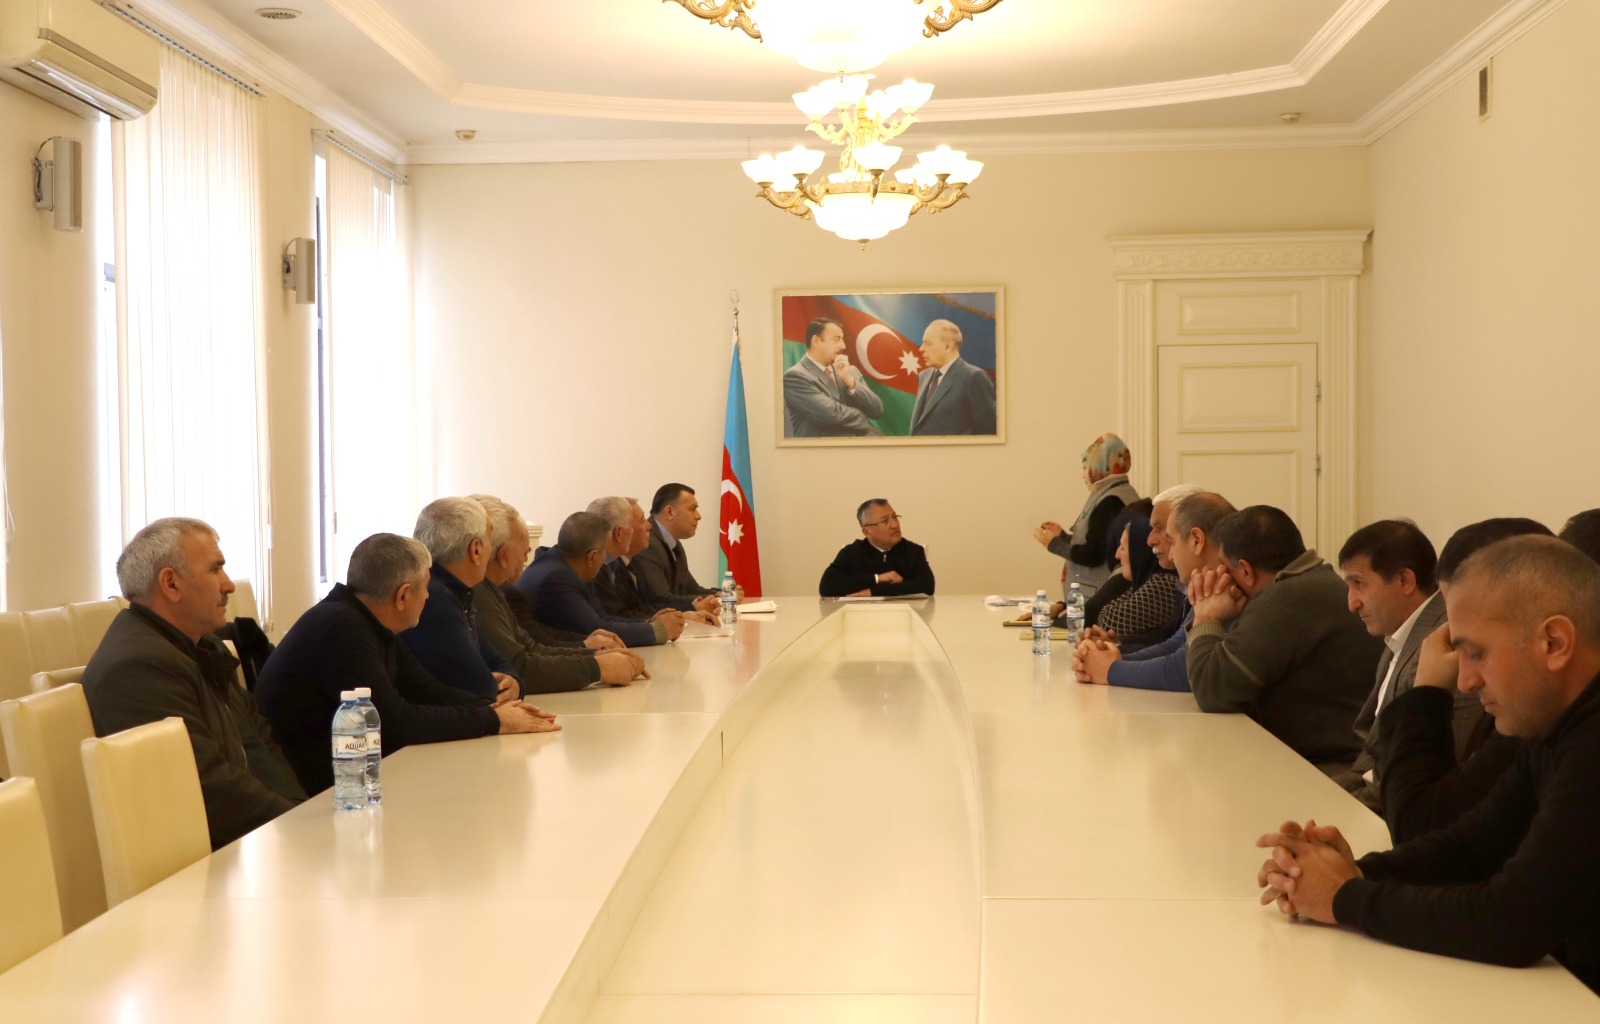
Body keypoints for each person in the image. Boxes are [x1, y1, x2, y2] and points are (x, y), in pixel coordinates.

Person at [1255, 536, 1600, 993]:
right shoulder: (1552, 723)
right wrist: (1351, 871)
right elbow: (1472, 846)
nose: (1465, 680)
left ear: (1554, 642)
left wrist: (1343, 897)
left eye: (1477, 653)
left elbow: (1513, 921)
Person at [256, 533, 561, 794]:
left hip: (351, 781)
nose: (428, 596)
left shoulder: (367, 620)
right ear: (403, 596)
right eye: (425, 587)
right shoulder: (341, 628)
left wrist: (499, 710)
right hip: (313, 797)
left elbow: (427, 690)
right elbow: (396, 724)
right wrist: (494, 720)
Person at [81, 517, 306, 850]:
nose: (228, 585)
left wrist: (302, 814)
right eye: (215, 569)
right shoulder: (139, 667)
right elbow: (207, 787)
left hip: (246, 844)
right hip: (202, 859)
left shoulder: (203, 647)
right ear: (171, 584)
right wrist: (298, 829)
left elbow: (260, 744)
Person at [1373, 517, 1551, 843]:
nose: (1466, 681)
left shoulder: (1537, 720)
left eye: (1477, 649)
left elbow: (1420, 826)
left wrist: (1427, 693)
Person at [1184, 505, 1380, 774]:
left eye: (1224, 567)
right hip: (1329, 759)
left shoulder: (1284, 600)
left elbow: (1212, 689)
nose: (1220, 576)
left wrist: (1206, 616)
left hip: (1325, 771)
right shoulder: (1312, 582)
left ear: (1246, 570)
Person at [470, 495, 645, 692]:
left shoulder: (492, 590)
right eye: (524, 552)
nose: (526, 560)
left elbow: (530, 647)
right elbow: (520, 666)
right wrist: (597, 667)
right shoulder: (479, 594)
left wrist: (593, 655)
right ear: (504, 556)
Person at [1334, 520, 1449, 811]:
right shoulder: (1399, 634)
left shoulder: (1442, 642)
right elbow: (1372, 751)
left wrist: (1341, 807)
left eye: (1359, 584)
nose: (1351, 603)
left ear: (1405, 580)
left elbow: (1426, 770)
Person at [1074, 490, 1232, 690]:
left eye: (1171, 540)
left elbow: (1184, 669)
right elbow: (1175, 645)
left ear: (1197, 540)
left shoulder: (1229, 586)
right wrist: (1110, 658)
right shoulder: (1210, 583)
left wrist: (1110, 669)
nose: (1171, 554)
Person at [400, 497, 520, 703]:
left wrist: (515, 683)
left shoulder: (458, 591)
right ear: (476, 550)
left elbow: (498, 660)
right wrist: (505, 687)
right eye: (489, 541)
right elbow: (481, 688)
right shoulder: (433, 599)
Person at [518, 512, 681, 646]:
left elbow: (602, 617)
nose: (606, 559)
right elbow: (594, 628)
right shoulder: (556, 578)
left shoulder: (571, 565)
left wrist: (650, 622)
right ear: (592, 557)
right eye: (605, 551)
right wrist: (658, 630)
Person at [1035, 433, 1138, 598]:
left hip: (1096, 596)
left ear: (1101, 466)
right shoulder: (1122, 492)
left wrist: (1055, 544)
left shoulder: (1110, 501)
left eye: (1086, 467)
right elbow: (1098, 541)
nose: (1083, 475)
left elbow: (1093, 554)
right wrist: (1062, 536)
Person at [1075, 501, 1184, 651]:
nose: (1116, 555)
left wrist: (1117, 650)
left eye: (1123, 547)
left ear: (1138, 552)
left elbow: (1110, 620)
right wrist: (1115, 644)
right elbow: (1164, 639)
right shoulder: (1146, 580)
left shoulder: (1166, 583)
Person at [587, 496, 713, 623]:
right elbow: (611, 619)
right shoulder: (595, 570)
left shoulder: (619, 564)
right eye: (642, 521)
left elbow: (638, 608)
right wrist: (664, 622)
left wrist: (679, 616)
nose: (649, 525)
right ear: (619, 533)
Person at [782, 316, 884, 437]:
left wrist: (851, 382)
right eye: (837, 339)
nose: (843, 346)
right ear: (816, 341)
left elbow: (877, 410)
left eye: (842, 339)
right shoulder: (795, 376)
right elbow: (831, 415)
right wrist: (863, 418)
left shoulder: (850, 371)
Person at [819, 499, 935, 598]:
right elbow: (827, 586)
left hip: (902, 615)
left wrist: (873, 592)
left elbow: (927, 586)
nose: (895, 525)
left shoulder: (913, 551)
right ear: (867, 532)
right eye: (885, 521)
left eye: (894, 517)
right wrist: (877, 578)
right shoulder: (851, 553)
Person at [633, 483, 726, 606]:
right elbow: (659, 599)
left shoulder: (675, 544)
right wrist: (701, 604)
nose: (698, 516)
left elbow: (691, 589)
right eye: (692, 509)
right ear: (670, 512)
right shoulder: (647, 543)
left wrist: (722, 595)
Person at [908, 319, 996, 436]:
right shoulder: (924, 376)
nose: (921, 348)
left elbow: (989, 431)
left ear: (947, 347)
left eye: (927, 343)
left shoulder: (973, 377)